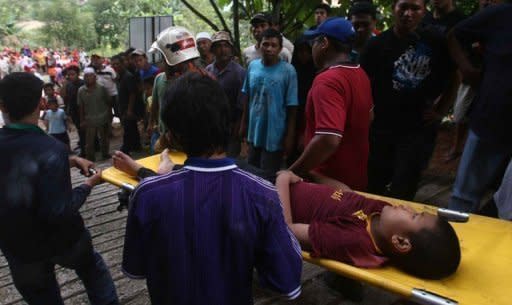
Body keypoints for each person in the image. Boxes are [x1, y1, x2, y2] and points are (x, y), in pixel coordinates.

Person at [122, 72, 302, 305]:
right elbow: (287, 283)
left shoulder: (146, 194)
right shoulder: (262, 194)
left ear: (173, 137)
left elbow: (136, 268)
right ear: (227, 123)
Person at [0, 72, 119, 305]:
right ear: (42, 103)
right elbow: (59, 211)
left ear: (2, 105)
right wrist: (88, 184)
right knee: (94, 272)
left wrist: (72, 161)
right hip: (65, 242)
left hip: (19, 246)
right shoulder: (51, 148)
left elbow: (19, 166)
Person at [276, 170, 461, 279]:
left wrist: (283, 179)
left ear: (401, 242)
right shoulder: (383, 212)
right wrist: (316, 175)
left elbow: (286, 231)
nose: (408, 207)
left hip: (268, 197)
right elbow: (348, 195)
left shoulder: (353, 241)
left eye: (414, 216)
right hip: (294, 182)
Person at [361, 0, 455, 200]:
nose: (408, 13)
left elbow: (455, 76)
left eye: (415, 8)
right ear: (393, 8)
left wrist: (441, 109)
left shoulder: (437, 43)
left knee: (404, 186)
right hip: (381, 127)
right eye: (403, 7)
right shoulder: (377, 45)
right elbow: (363, 83)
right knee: (374, 182)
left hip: (417, 128)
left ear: (424, 11)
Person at [289, 17, 373, 191]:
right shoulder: (360, 74)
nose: (312, 48)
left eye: (314, 42)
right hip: (356, 177)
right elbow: (370, 116)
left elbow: (328, 139)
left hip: (329, 182)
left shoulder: (327, 81)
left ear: (324, 43)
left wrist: (293, 172)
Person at [447, 0, 512, 213]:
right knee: (463, 199)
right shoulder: (501, 14)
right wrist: (467, 69)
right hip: (490, 119)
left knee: (508, 207)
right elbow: (455, 35)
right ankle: (454, 241)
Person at [240, 28, 298, 174]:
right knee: (251, 172)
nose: (269, 48)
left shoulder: (288, 71)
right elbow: (247, 96)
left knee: (268, 177)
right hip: (254, 132)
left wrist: (290, 136)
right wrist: (244, 124)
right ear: (260, 46)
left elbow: (292, 107)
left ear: (280, 49)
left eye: (274, 45)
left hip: (275, 135)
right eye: (266, 44)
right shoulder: (253, 66)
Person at [147, 26, 205, 153]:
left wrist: (165, 139)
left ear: (171, 57)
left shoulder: (191, 84)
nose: (162, 62)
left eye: (163, 57)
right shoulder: (202, 77)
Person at [205, 31, 246, 158]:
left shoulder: (239, 72)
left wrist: (238, 127)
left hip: (231, 126)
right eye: (218, 46)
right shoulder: (208, 71)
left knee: (229, 161)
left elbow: (242, 104)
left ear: (231, 49)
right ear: (213, 50)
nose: (223, 50)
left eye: (226, 46)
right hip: (211, 126)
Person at [111, 55, 144, 155]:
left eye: (117, 64)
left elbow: (132, 93)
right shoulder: (119, 76)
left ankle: (125, 148)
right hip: (123, 106)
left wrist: (129, 109)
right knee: (132, 127)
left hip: (129, 107)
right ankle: (136, 146)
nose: (115, 66)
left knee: (128, 128)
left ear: (122, 64)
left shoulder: (127, 76)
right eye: (113, 64)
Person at [78, 67, 112, 161]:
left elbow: (108, 103)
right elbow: (81, 107)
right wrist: (82, 120)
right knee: (89, 142)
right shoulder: (81, 90)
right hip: (89, 119)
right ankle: (90, 157)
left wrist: (110, 117)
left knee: (104, 139)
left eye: (90, 76)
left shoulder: (102, 88)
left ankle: (105, 154)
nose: (88, 78)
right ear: (84, 78)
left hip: (103, 117)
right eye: (86, 76)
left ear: (95, 77)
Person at [62, 65, 86, 155]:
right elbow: (66, 98)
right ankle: (83, 146)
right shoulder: (69, 85)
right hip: (74, 111)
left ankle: (85, 149)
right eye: (69, 75)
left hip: (83, 111)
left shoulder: (82, 84)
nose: (70, 76)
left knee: (84, 131)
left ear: (78, 74)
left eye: (73, 74)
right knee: (80, 130)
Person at [90, 54, 118, 118]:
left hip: (113, 94)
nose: (96, 61)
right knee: (106, 113)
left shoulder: (110, 70)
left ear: (101, 60)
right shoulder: (92, 72)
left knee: (117, 111)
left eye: (97, 59)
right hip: (101, 95)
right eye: (93, 60)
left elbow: (115, 80)